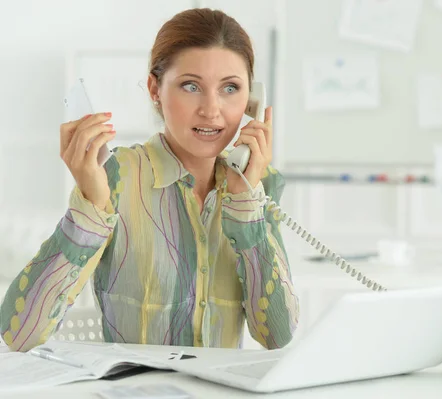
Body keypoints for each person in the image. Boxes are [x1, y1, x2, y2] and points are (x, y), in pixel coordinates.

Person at [0, 8, 299, 352]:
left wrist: (245, 205)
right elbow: (18, 333)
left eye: (230, 88)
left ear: (252, 98)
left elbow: (278, 335)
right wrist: (92, 209)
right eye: (191, 86)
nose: (211, 109)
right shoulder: (117, 177)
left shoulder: (259, 184)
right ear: (155, 88)